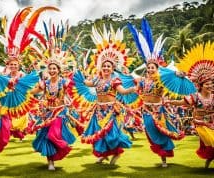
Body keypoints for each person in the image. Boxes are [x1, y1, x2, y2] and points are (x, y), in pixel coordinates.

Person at [127, 19, 194, 167]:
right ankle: (161, 154)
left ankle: (164, 158)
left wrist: (180, 74)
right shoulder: (142, 80)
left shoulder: (162, 81)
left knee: (162, 131)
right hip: (146, 110)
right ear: (146, 68)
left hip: (158, 110)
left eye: (153, 67)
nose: (150, 69)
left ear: (157, 69)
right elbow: (131, 76)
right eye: (149, 67)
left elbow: (174, 76)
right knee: (151, 132)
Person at [72, 25, 137, 165]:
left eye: (109, 66)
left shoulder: (115, 80)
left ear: (113, 68)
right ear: (101, 68)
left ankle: (116, 154)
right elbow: (86, 83)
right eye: (104, 66)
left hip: (111, 111)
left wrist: (132, 89)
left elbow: (122, 92)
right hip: (98, 110)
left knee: (111, 135)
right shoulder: (97, 79)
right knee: (98, 135)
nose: (106, 68)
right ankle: (103, 155)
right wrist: (77, 72)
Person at [29, 19, 81, 171]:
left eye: (54, 68)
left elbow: (74, 88)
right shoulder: (44, 82)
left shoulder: (64, 82)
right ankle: (50, 162)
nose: (52, 70)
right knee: (46, 138)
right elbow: (35, 91)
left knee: (53, 135)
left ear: (58, 70)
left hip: (59, 113)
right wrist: (24, 91)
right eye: (49, 68)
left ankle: (63, 148)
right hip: (46, 113)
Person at [167, 42, 214, 168]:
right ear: (201, 85)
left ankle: (208, 163)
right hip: (200, 124)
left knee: (211, 148)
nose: (209, 86)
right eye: (207, 84)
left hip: (212, 123)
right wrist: (169, 101)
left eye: (211, 84)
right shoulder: (195, 96)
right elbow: (182, 102)